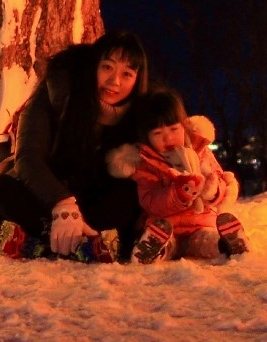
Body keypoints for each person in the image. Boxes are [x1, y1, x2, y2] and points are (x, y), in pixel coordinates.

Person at [0, 29, 154, 261]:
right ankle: (83, 246)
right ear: (92, 66)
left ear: (137, 80)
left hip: (96, 206)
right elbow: (28, 157)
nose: (114, 81)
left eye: (127, 74)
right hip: (49, 199)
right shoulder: (55, 92)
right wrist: (61, 204)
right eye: (107, 67)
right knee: (1, 189)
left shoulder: (144, 111)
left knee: (129, 194)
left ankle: (44, 244)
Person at [106, 87, 249, 260]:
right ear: (146, 137)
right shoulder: (146, 164)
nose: (168, 138)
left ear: (184, 126)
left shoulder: (201, 152)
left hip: (200, 223)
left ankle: (228, 245)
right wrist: (178, 194)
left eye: (174, 129)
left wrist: (212, 191)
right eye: (158, 134)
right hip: (166, 227)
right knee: (166, 244)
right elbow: (150, 201)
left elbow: (221, 182)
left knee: (207, 240)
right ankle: (153, 250)